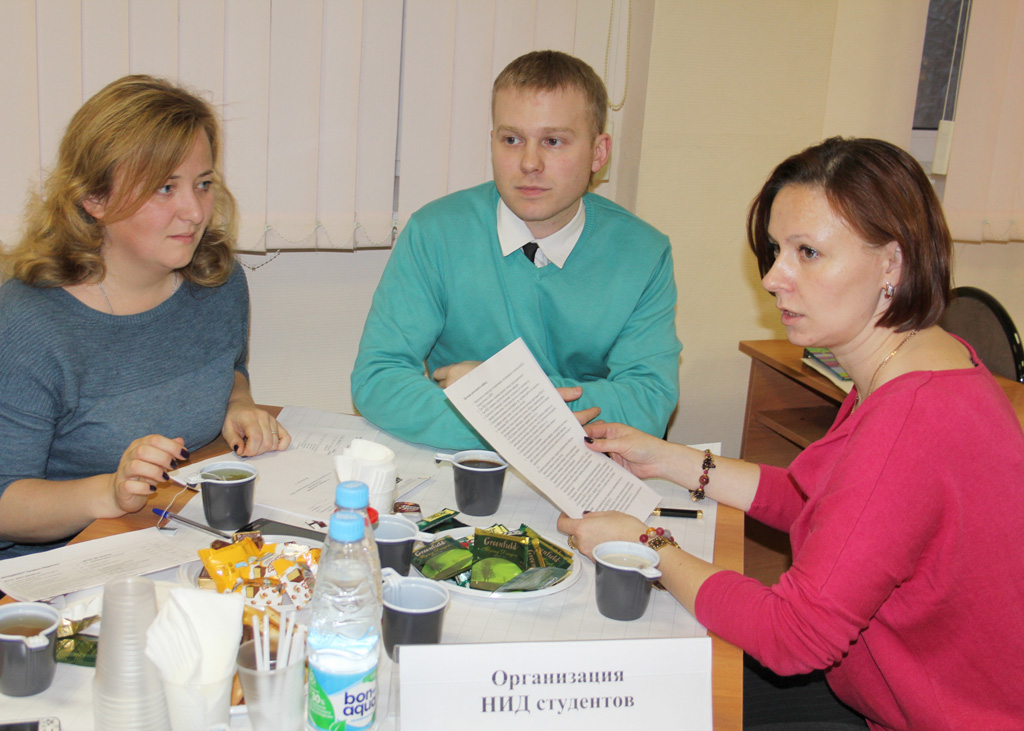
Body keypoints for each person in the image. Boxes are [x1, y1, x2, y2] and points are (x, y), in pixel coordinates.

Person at [559, 137, 1024, 730]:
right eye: (777, 250)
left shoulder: (909, 419)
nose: (774, 277)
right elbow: (823, 503)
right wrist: (670, 460)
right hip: (884, 684)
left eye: (808, 252)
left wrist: (648, 545)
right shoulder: (918, 359)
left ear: (892, 262)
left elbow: (793, 636)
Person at [0, 75, 291, 560]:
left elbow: (229, 369)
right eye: (164, 188)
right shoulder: (28, 324)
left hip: (176, 534)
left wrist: (238, 403)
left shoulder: (217, 280)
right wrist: (108, 492)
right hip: (68, 564)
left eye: (203, 185)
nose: (194, 212)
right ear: (94, 200)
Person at [352, 50, 681, 449]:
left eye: (553, 141)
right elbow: (378, 379)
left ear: (598, 153)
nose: (529, 163)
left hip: (586, 466)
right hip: (468, 462)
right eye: (512, 140)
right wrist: (526, 420)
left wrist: (503, 394)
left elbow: (648, 402)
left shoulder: (643, 253)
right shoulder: (435, 232)